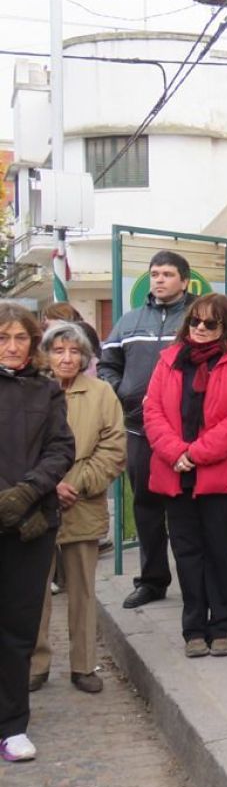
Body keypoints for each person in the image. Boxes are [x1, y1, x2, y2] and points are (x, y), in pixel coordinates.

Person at [142, 294, 227, 659]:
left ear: (225, 326)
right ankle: (194, 629)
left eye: (210, 323)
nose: (200, 328)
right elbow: (152, 410)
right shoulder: (168, 361)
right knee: (187, 553)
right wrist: (175, 452)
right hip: (174, 472)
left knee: (218, 552)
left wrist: (196, 453)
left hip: (218, 475)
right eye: (195, 321)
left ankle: (222, 626)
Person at [30, 323, 125, 694]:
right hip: (35, 503)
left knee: (83, 591)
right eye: (58, 351)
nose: (66, 358)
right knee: (34, 591)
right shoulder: (32, 391)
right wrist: (48, 484)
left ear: (85, 357)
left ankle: (83, 665)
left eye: (73, 352)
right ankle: (36, 665)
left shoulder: (102, 393)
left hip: (82, 504)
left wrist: (78, 483)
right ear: (47, 354)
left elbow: (114, 448)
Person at [98, 250, 197, 609]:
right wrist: (121, 392)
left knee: (188, 510)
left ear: (184, 280)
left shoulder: (199, 318)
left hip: (187, 434)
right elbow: (107, 365)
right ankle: (152, 581)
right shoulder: (128, 321)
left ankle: (197, 582)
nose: (159, 279)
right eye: (154, 273)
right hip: (139, 430)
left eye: (168, 273)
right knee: (147, 508)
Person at [0, 303, 75, 762]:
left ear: (33, 343)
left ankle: (12, 725)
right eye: (3, 337)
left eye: (20, 337)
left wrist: (26, 493)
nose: (12, 346)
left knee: (18, 626)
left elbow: (60, 448)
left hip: (30, 524)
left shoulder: (46, 391)